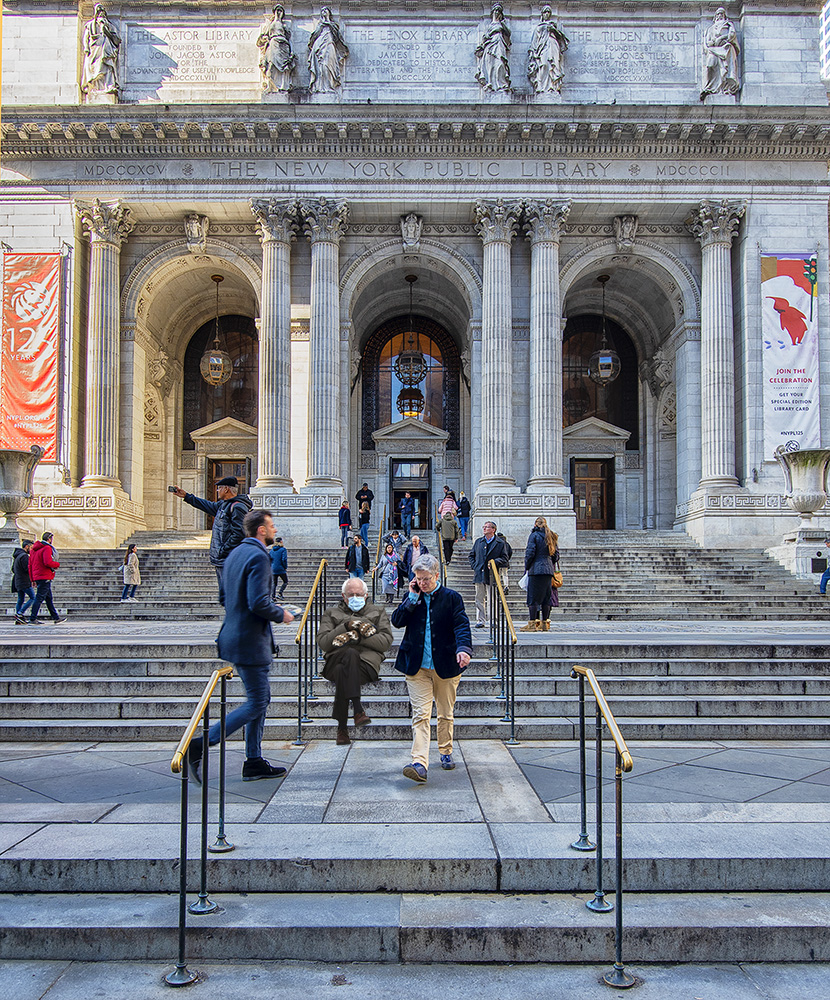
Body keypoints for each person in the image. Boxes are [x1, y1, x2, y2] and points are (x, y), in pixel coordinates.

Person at [188, 509, 294, 785]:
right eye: (271, 525)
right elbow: (258, 602)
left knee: (261, 698)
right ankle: (202, 743)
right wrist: (281, 614)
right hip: (249, 641)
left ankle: (254, 760)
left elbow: (224, 596)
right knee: (258, 700)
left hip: (232, 635)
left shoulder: (234, 554)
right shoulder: (259, 556)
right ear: (261, 530)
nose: (273, 529)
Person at [391, 554, 473, 782]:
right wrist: (411, 598)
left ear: (437, 575)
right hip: (416, 667)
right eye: (418, 578)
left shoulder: (452, 598)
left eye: (426, 578)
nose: (422, 583)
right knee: (421, 715)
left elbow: (461, 624)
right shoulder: (413, 597)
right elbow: (396, 621)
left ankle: (446, 750)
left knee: (445, 713)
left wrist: (464, 649)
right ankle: (419, 763)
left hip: (446, 664)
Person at [317, 577, 393, 745]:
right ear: (344, 596)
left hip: (366, 665)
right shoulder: (331, 613)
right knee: (348, 656)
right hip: (334, 660)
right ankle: (357, 709)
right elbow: (323, 642)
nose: (355, 597)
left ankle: (342, 729)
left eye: (358, 594)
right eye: (351, 594)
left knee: (342, 670)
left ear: (365, 595)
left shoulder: (377, 611)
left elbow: (385, 642)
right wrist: (345, 626)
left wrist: (356, 637)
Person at [171, 477, 252, 587]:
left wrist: (223, 550)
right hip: (221, 560)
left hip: (229, 559)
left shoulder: (237, 507)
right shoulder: (223, 505)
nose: (217, 491)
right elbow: (206, 505)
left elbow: (239, 534)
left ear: (226, 489)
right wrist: (186, 496)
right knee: (226, 595)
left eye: (219, 488)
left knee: (230, 594)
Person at [520, 517, 558, 632]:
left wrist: (527, 566)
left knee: (533, 597)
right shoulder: (551, 536)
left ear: (535, 524)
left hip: (536, 569)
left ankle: (532, 623)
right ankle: (545, 623)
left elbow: (530, 552)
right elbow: (556, 555)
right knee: (546, 597)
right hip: (548, 569)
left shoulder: (534, 535)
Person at [468, 521, 508, 628]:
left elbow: (505, 558)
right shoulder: (478, 542)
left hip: (492, 574)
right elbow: (471, 555)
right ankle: (480, 620)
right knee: (479, 598)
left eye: (487, 527)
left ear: (493, 529)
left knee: (492, 598)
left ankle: (493, 620)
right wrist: (475, 566)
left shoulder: (500, 543)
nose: (484, 529)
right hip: (479, 573)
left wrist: (495, 562)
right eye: (484, 527)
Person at [527, 4, 568, 95]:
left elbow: (562, 39)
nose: (547, 14)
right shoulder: (539, 27)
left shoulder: (553, 26)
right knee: (544, 64)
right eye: (545, 12)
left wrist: (553, 30)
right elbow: (534, 41)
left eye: (548, 12)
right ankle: (542, 87)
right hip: (542, 48)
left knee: (553, 65)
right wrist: (532, 52)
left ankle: (552, 87)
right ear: (542, 14)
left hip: (553, 46)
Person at [81, 4, 120, 98]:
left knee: (108, 66)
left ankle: (109, 86)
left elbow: (116, 40)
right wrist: (86, 47)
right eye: (99, 14)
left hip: (107, 49)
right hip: (94, 50)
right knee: (94, 69)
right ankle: (95, 87)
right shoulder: (90, 25)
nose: (101, 16)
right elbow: (85, 38)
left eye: (103, 14)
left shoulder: (110, 26)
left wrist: (106, 31)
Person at [700, 7, 741, 99]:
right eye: (718, 14)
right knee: (710, 66)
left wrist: (722, 38)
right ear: (715, 17)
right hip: (713, 49)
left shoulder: (728, 25)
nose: (719, 16)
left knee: (723, 68)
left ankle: (723, 87)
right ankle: (711, 87)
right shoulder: (710, 29)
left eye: (721, 14)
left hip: (725, 48)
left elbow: (731, 35)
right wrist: (712, 43)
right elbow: (707, 42)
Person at [307, 5, 349, 93]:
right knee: (321, 65)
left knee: (328, 64)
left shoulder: (333, 25)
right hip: (320, 45)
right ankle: (320, 86)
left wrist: (329, 24)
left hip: (329, 44)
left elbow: (338, 37)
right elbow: (314, 36)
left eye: (326, 10)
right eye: (322, 10)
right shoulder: (319, 25)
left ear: (330, 13)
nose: (324, 11)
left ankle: (329, 85)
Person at [27, 531, 65, 624]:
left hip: (37, 576)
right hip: (45, 576)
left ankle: (56, 617)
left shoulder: (33, 550)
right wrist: (57, 564)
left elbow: (30, 565)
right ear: (49, 539)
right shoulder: (46, 548)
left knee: (48, 598)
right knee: (39, 598)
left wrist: (32, 579)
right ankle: (32, 618)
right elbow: (47, 562)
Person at [257, 4, 295, 93]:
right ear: (274, 12)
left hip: (283, 46)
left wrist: (292, 51)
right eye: (277, 10)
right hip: (273, 45)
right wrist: (264, 39)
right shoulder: (270, 25)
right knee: (271, 65)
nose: (279, 12)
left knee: (284, 67)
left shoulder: (285, 26)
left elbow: (290, 39)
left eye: (280, 11)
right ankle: (271, 86)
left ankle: (283, 86)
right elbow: (263, 37)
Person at [475, 2, 511, 93]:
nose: (496, 12)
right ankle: (490, 83)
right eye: (495, 10)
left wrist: (502, 24)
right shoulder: (489, 26)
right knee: (490, 65)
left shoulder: (502, 24)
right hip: (490, 46)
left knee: (500, 64)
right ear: (492, 12)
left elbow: (508, 33)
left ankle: (501, 84)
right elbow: (484, 37)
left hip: (499, 45)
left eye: (498, 10)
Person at [12, 539, 34, 625]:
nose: (31, 549)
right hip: (24, 581)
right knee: (33, 597)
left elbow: (13, 569)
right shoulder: (24, 556)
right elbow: (27, 569)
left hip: (18, 581)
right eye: (31, 547)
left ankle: (19, 619)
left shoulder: (17, 556)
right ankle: (20, 613)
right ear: (26, 546)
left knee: (20, 599)